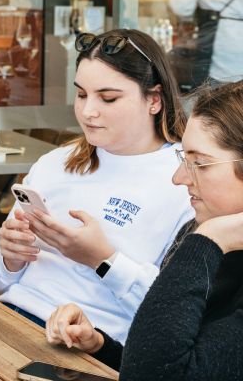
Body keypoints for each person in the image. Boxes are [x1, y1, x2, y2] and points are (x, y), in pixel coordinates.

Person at [0, 29, 193, 345]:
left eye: (108, 98)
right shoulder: (56, 163)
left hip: (95, 349)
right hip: (9, 322)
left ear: (154, 100)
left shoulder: (186, 181)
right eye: (81, 95)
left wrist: (101, 259)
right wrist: (9, 256)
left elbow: (176, 317)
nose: (88, 111)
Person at [46, 80, 243, 379]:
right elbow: (176, 362)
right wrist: (100, 347)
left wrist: (209, 238)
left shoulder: (208, 237)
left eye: (200, 164)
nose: (179, 179)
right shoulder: (210, 237)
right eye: (183, 159)